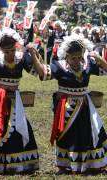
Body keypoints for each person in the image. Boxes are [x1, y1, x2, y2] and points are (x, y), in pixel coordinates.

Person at [0, 28, 44, 174]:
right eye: (6, 52)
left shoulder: (21, 57)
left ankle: (18, 163)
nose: (10, 54)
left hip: (14, 99)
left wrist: (33, 54)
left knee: (18, 129)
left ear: (16, 47)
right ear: (0, 49)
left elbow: (40, 73)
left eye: (12, 50)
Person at [39, 34, 107, 174]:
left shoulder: (88, 64)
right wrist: (34, 55)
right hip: (66, 107)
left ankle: (89, 164)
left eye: (79, 57)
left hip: (85, 106)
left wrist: (100, 59)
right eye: (73, 58)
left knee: (86, 133)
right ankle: (64, 165)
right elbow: (43, 74)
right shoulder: (59, 66)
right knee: (66, 134)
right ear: (66, 57)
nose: (76, 61)